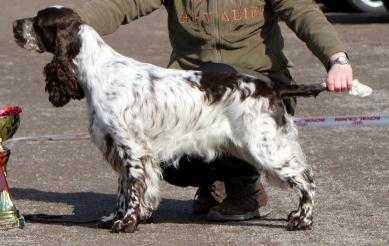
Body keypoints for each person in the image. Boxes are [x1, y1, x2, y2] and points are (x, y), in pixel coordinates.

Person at [69, 0, 353, 221]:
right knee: (152, 139)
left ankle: (244, 188)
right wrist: (68, 24)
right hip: (191, 94)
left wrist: (337, 59)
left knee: (222, 84)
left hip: (257, 90)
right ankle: (212, 181)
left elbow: (303, 12)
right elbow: (121, 4)